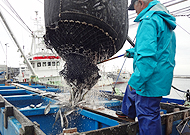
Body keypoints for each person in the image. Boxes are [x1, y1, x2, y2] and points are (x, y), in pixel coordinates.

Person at [116, 0, 176, 134]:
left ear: (141, 3)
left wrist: (135, 81)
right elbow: (158, 48)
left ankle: (130, 114)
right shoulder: (163, 20)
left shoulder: (148, 20)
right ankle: (127, 113)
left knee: (147, 113)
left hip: (151, 78)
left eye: (135, 8)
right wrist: (132, 52)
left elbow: (147, 58)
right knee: (133, 89)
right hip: (161, 76)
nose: (135, 11)